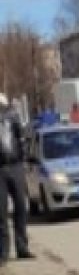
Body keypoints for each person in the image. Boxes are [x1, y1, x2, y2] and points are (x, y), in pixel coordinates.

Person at [0, 92, 34, 266]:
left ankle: (22, 247)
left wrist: (25, 159)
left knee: (21, 206)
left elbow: (23, 138)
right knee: (1, 212)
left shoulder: (13, 118)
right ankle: (3, 253)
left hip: (15, 166)